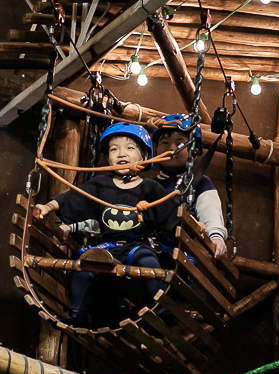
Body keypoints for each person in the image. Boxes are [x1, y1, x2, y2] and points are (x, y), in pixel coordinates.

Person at [33, 123, 177, 327]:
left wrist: (197, 227)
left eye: (130, 148)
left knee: (150, 264)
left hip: (138, 245)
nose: (121, 153)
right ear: (107, 158)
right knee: (84, 263)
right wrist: (47, 207)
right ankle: (78, 316)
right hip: (108, 245)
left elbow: (172, 214)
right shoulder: (100, 185)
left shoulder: (150, 188)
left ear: (144, 156)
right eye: (114, 149)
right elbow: (72, 197)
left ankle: (160, 311)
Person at [151, 115, 228, 259]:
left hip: (180, 253)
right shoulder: (148, 185)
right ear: (155, 149)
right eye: (165, 142)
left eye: (180, 144)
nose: (171, 148)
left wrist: (216, 236)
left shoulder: (200, 183)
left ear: (195, 150)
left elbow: (210, 209)